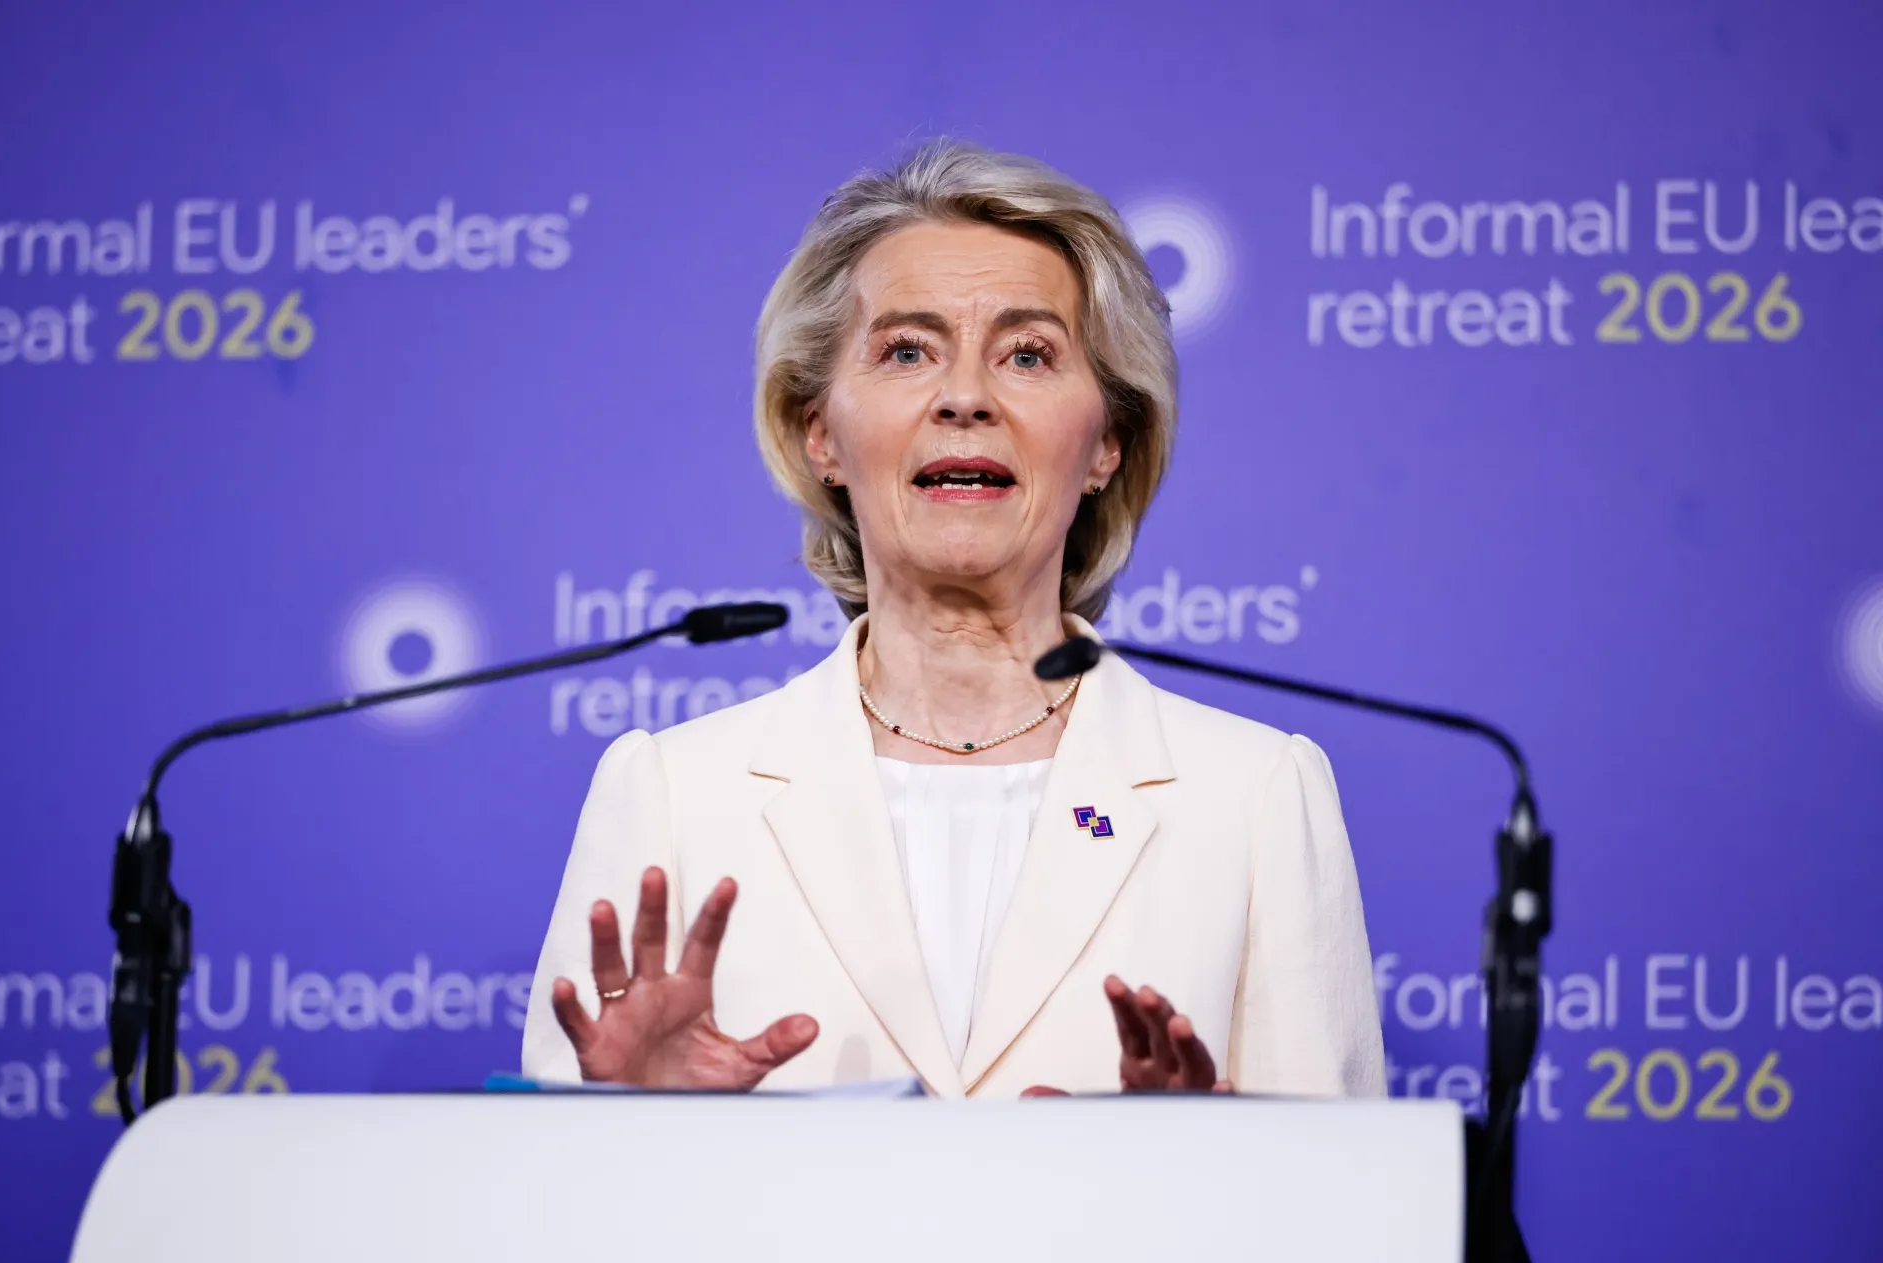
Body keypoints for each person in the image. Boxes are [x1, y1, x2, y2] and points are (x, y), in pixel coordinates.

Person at [520, 140, 1385, 1098]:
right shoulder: (673, 796)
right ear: (820, 434)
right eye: (906, 351)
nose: (966, 398)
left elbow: (1344, 1218)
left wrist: (1220, 1165)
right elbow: (566, 1219)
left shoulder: (1253, 796)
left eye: (1028, 353)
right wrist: (632, 1122)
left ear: (1106, 442)